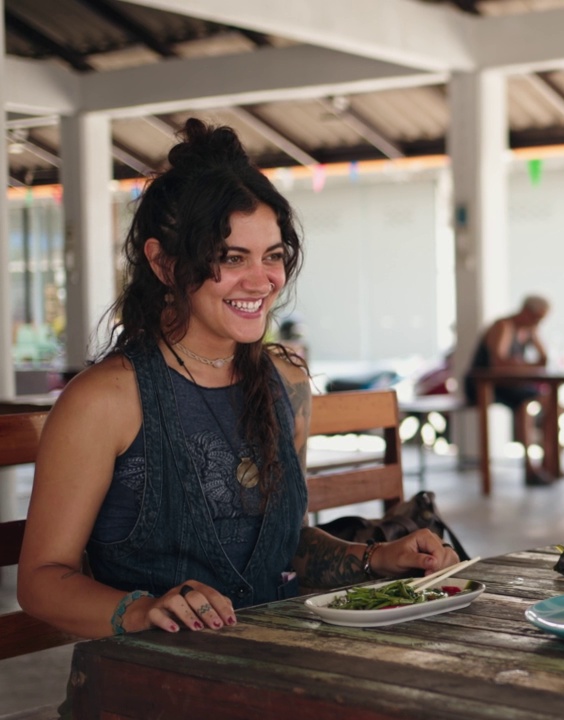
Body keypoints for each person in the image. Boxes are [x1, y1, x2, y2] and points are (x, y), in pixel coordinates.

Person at [17, 119, 459, 641]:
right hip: (150, 682)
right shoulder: (106, 399)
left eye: (273, 256)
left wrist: (377, 558)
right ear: (162, 263)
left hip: (275, 658)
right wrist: (140, 610)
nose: (261, 280)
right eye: (231, 258)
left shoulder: (285, 381)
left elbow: (280, 546)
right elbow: (41, 581)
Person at [465, 295, 559, 486]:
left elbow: (543, 359)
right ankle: (529, 468)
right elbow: (498, 364)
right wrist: (527, 365)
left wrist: (523, 362)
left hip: (509, 385)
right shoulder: (503, 326)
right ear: (526, 311)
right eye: (537, 318)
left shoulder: (529, 329)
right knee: (524, 403)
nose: (539, 323)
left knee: (551, 400)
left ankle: (549, 463)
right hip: (483, 386)